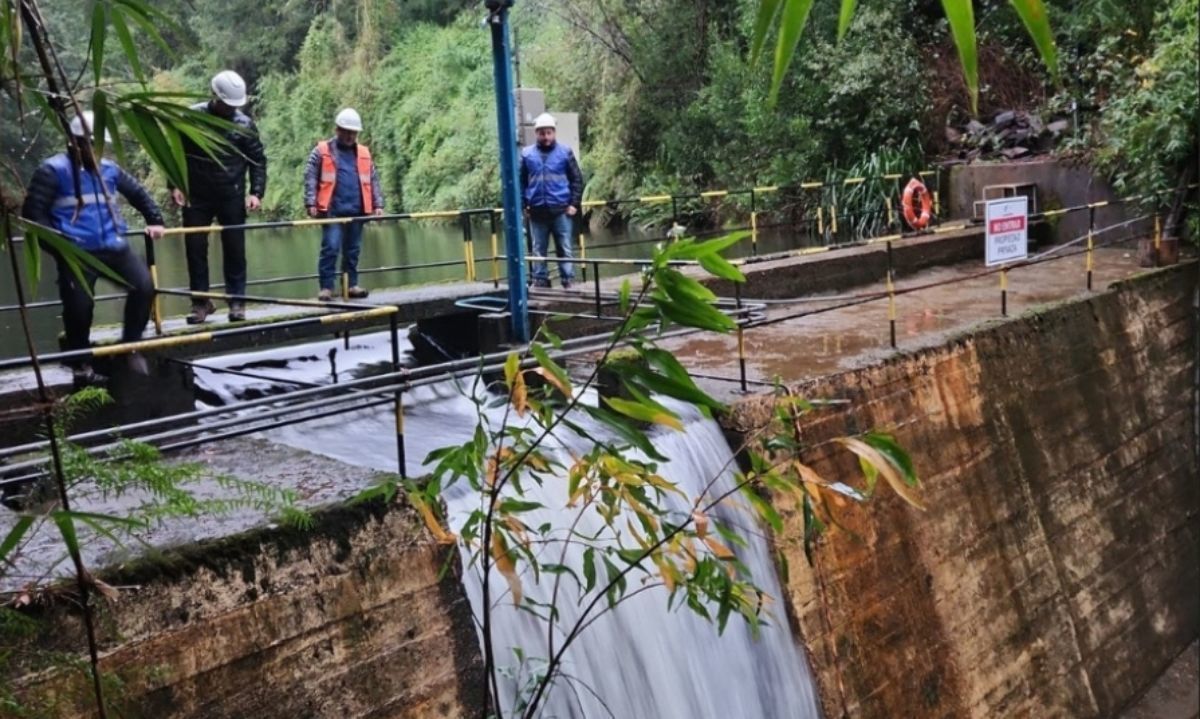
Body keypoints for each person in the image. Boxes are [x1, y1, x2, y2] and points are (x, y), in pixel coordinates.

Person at [22, 112, 165, 386]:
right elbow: (33, 215)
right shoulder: (52, 171)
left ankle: (130, 346)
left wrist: (155, 219)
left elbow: (137, 193)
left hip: (114, 246)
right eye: (92, 144)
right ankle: (80, 362)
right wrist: (61, 248)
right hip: (76, 253)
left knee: (144, 286)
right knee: (79, 306)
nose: (97, 151)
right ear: (74, 143)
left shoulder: (109, 169)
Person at [171, 70, 267, 324]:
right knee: (195, 248)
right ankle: (200, 303)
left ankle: (236, 301)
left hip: (231, 194)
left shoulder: (245, 125)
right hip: (196, 195)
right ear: (215, 96)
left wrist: (256, 192)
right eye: (226, 104)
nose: (229, 109)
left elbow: (257, 161)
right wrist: (175, 185)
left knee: (235, 248)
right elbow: (175, 153)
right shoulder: (191, 118)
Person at [303, 108, 384, 301]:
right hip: (332, 210)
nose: (349, 136)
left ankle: (351, 285)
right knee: (330, 248)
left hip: (357, 210)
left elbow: (373, 179)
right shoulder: (322, 151)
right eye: (346, 131)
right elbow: (310, 176)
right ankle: (326, 288)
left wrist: (378, 204)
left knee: (353, 250)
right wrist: (310, 201)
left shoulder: (363, 153)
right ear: (337, 129)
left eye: (353, 132)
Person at [519, 113, 583, 289]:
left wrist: (573, 204)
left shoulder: (565, 152)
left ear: (554, 132)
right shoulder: (527, 154)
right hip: (537, 212)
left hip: (561, 210)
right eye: (542, 133)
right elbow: (521, 183)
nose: (546, 137)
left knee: (565, 247)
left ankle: (568, 280)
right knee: (539, 249)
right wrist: (524, 205)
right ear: (536, 133)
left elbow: (577, 179)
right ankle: (540, 281)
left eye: (548, 133)